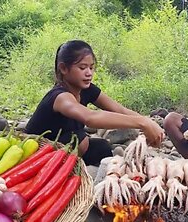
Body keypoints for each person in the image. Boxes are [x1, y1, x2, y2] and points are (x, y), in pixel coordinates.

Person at [25, 40, 164, 166]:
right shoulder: (60, 97)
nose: (89, 73)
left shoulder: (86, 89)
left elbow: (119, 109)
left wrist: (149, 123)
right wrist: (142, 123)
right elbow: (90, 118)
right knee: (79, 139)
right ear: (63, 68)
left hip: (63, 148)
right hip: (36, 153)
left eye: (91, 67)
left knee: (101, 147)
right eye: (82, 68)